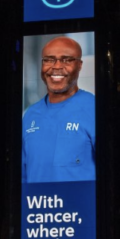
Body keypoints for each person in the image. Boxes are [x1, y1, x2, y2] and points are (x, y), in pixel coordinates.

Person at [22, 36, 95, 183]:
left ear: (79, 65)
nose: (56, 66)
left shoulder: (93, 108)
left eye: (66, 60)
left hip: (79, 205)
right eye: (49, 59)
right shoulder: (30, 115)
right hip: (35, 203)